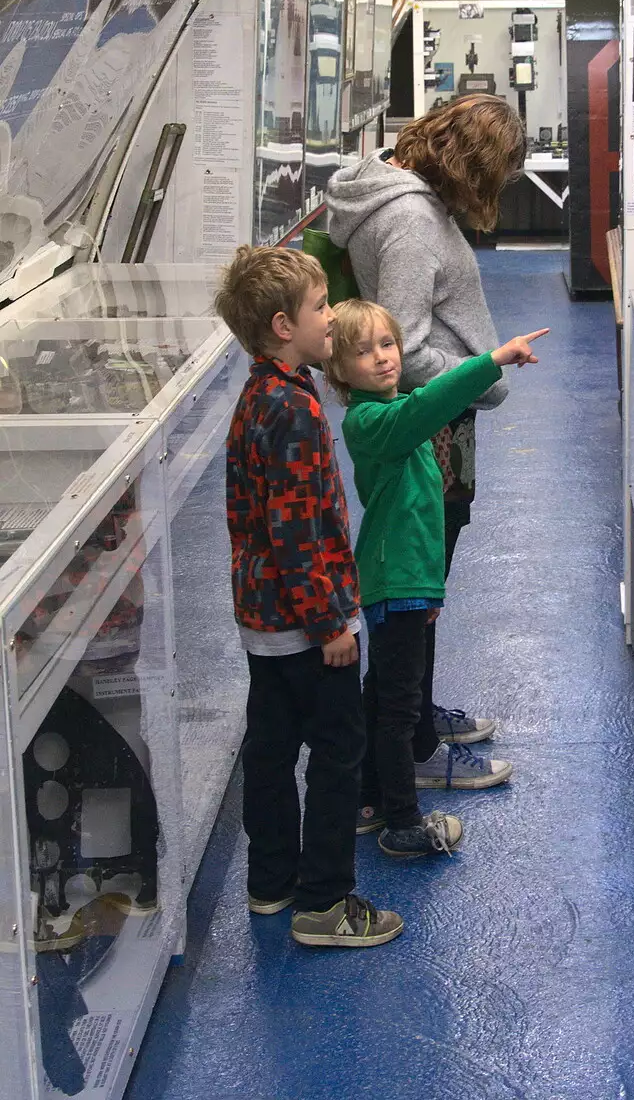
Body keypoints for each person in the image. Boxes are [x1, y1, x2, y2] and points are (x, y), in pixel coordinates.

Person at [325, 95, 525, 801]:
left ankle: (413, 721)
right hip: (430, 430)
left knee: (424, 594)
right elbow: (403, 346)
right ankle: (409, 745)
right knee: (413, 600)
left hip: (438, 423)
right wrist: (480, 377)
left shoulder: (396, 194)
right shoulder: (410, 220)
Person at [214, 245, 402, 949]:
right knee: (337, 750)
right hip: (306, 623)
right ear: (281, 325)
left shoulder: (260, 393)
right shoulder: (292, 409)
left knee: (270, 746)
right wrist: (330, 623)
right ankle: (324, 902)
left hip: (264, 619)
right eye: (320, 308)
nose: (331, 318)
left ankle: (271, 883)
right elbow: (295, 531)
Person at [324, 300, 546, 858]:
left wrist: (432, 591)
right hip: (393, 583)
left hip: (408, 583)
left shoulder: (394, 413)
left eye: (387, 344)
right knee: (398, 710)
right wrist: (491, 360)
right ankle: (403, 821)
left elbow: (421, 518)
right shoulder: (375, 422)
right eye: (362, 351)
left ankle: (371, 797)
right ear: (339, 371)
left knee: (384, 698)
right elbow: (432, 403)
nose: (381, 358)